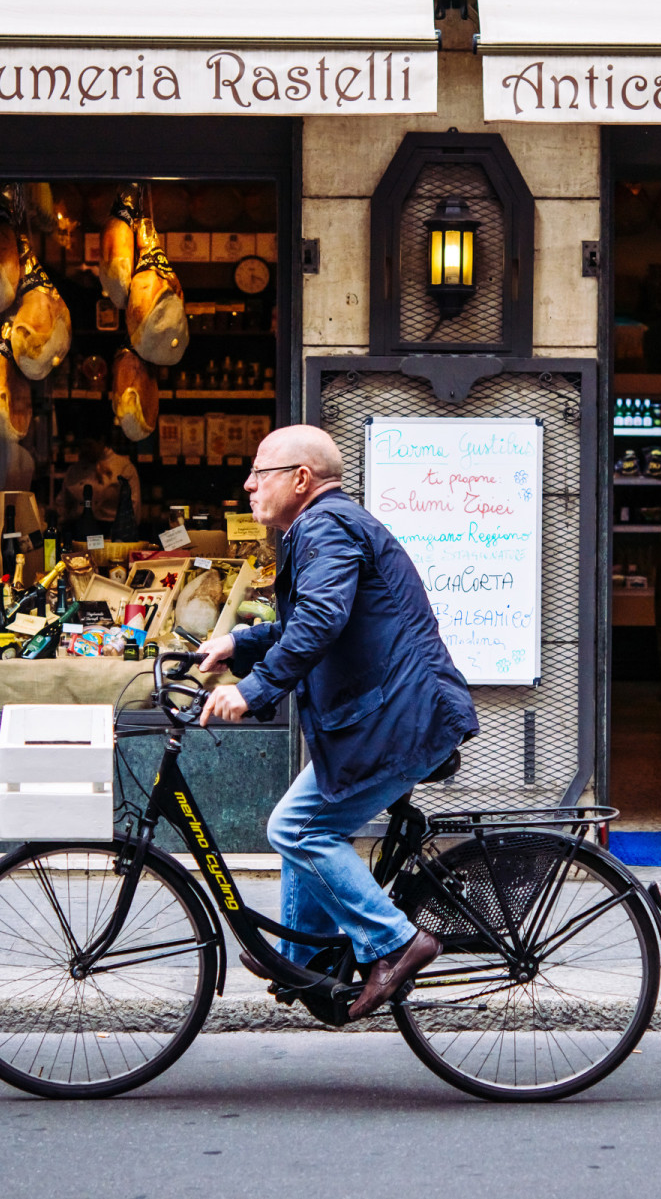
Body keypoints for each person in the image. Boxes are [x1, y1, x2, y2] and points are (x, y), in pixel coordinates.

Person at [199, 425, 478, 1022]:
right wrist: (238, 644)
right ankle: (308, 961)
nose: (248, 485)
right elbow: (317, 621)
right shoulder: (323, 528)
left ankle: (397, 941)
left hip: (401, 721)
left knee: (299, 829)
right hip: (386, 718)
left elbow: (322, 618)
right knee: (300, 825)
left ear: (301, 479)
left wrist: (255, 690)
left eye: (260, 471)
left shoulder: (326, 525)